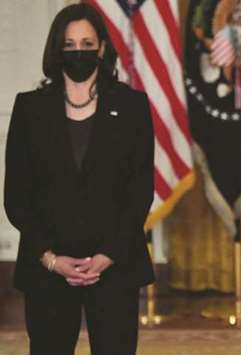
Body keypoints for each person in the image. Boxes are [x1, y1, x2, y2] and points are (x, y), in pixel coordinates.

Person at [4, 4, 154, 354]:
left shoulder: (132, 107)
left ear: (102, 48)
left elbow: (139, 191)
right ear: (56, 50)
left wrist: (108, 254)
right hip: (47, 268)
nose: (78, 52)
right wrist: (51, 258)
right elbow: (17, 196)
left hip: (115, 266)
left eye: (87, 43)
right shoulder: (29, 109)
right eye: (69, 45)